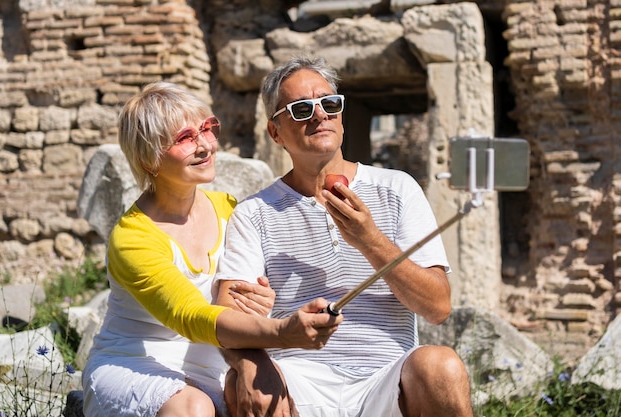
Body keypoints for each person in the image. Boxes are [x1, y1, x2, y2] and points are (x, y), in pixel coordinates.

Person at [215, 56, 473, 417]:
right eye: (302, 109)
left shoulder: (397, 189)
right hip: (297, 376)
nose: (320, 115)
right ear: (275, 132)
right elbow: (225, 321)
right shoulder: (254, 213)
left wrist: (369, 239)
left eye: (330, 104)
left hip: (384, 377)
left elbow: (438, 307)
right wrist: (249, 361)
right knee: (248, 379)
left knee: (440, 366)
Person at [81, 81, 342, 417]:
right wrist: (281, 332)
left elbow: (256, 287)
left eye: (207, 129)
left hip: (216, 362)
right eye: (185, 138)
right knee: (195, 408)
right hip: (136, 364)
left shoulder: (231, 209)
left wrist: (266, 299)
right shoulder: (132, 237)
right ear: (149, 160)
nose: (205, 145)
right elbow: (189, 316)